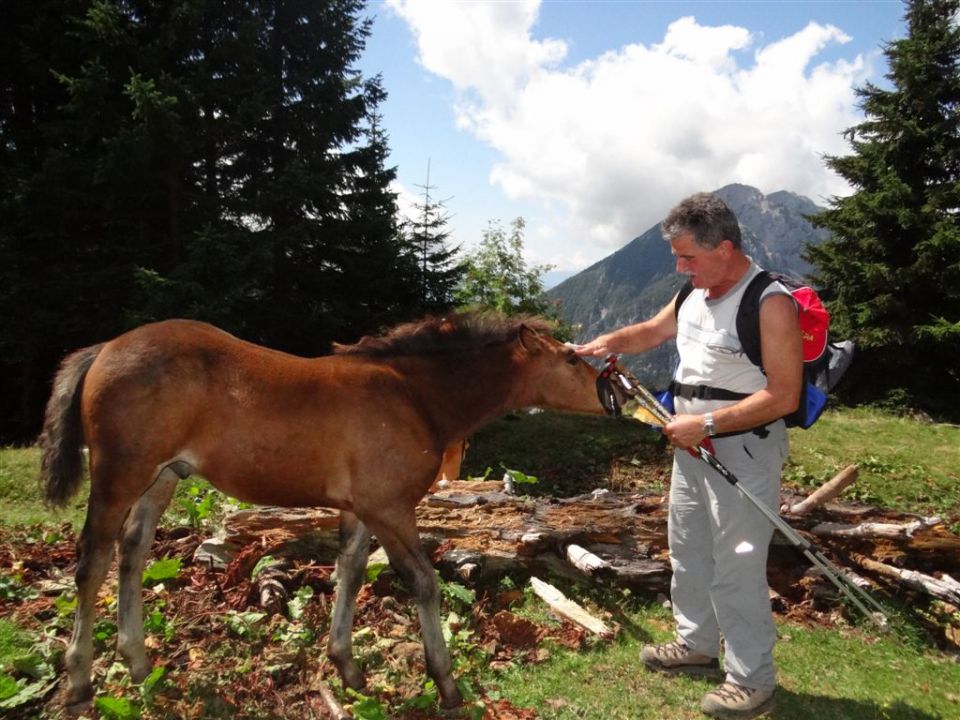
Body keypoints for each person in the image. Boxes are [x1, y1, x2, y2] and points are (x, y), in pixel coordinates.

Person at [574, 192, 802, 719]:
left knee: (737, 568)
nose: (680, 267)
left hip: (740, 449)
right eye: (677, 257)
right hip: (691, 446)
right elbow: (653, 331)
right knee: (688, 549)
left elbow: (784, 394)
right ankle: (696, 644)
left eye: (688, 257)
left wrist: (704, 423)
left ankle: (751, 679)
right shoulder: (694, 292)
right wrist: (603, 343)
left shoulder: (769, 302)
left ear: (724, 248)